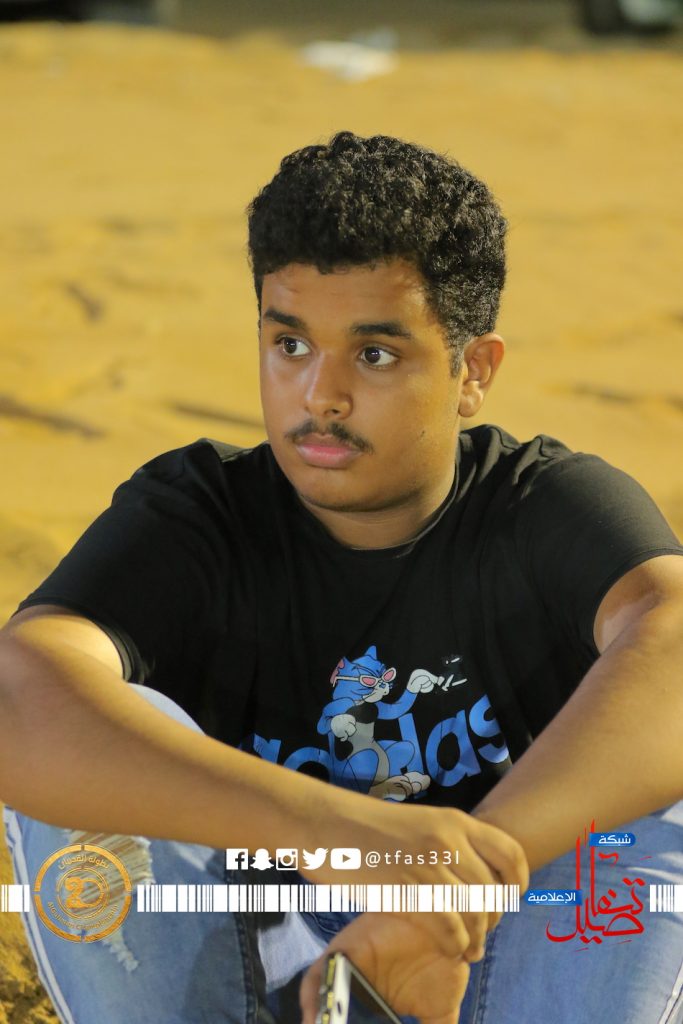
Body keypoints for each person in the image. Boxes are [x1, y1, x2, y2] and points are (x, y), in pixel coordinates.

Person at [1, 131, 682, 1024]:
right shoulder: (201, 512)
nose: (318, 395)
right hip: (260, 951)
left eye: (374, 355)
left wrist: (444, 888)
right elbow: (20, 697)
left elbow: (673, 636)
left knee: (656, 774)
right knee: (85, 756)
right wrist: (342, 835)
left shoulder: (540, 503)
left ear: (471, 372)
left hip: (498, 949)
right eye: (289, 343)